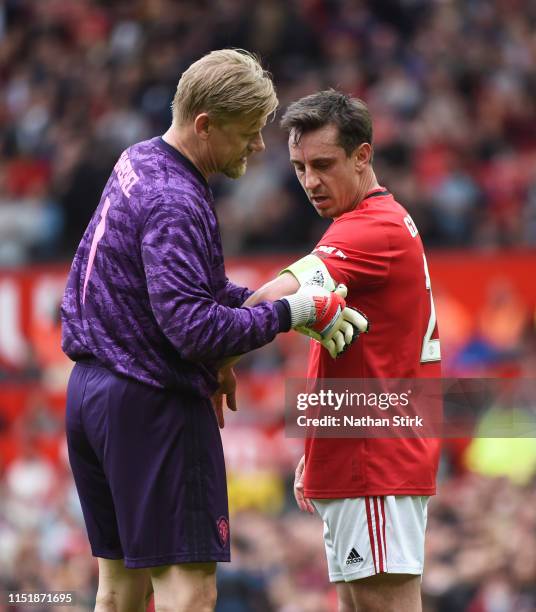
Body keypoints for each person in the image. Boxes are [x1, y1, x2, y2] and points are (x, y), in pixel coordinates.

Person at [60, 54, 362, 612]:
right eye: (247, 133)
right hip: (151, 404)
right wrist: (293, 311)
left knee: (119, 590)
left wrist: (254, 307)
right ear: (205, 124)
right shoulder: (175, 199)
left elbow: (183, 291)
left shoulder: (139, 160)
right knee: (189, 591)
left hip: (91, 395)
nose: (258, 147)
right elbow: (193, 329)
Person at [242, 90, 441, 612]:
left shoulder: (369, 228)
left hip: (374, 458)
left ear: (363, 156)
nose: (310, 181)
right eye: (299, 166)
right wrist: (315, 448)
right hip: (357, 454)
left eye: (323, 164)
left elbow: (267, 301)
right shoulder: (374, 224)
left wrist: (212, 346)